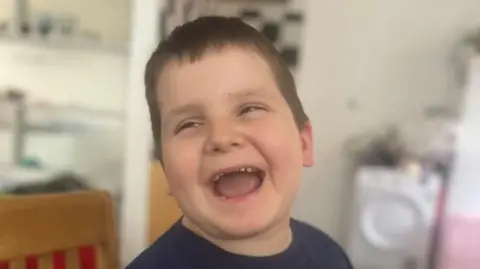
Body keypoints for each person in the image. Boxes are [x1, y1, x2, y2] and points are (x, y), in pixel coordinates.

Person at [127, 16, 353, 269]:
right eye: (189, 124)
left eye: (249, 109)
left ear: (304, 144)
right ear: (166, 171)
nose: (222, 137)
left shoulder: (329, 255)